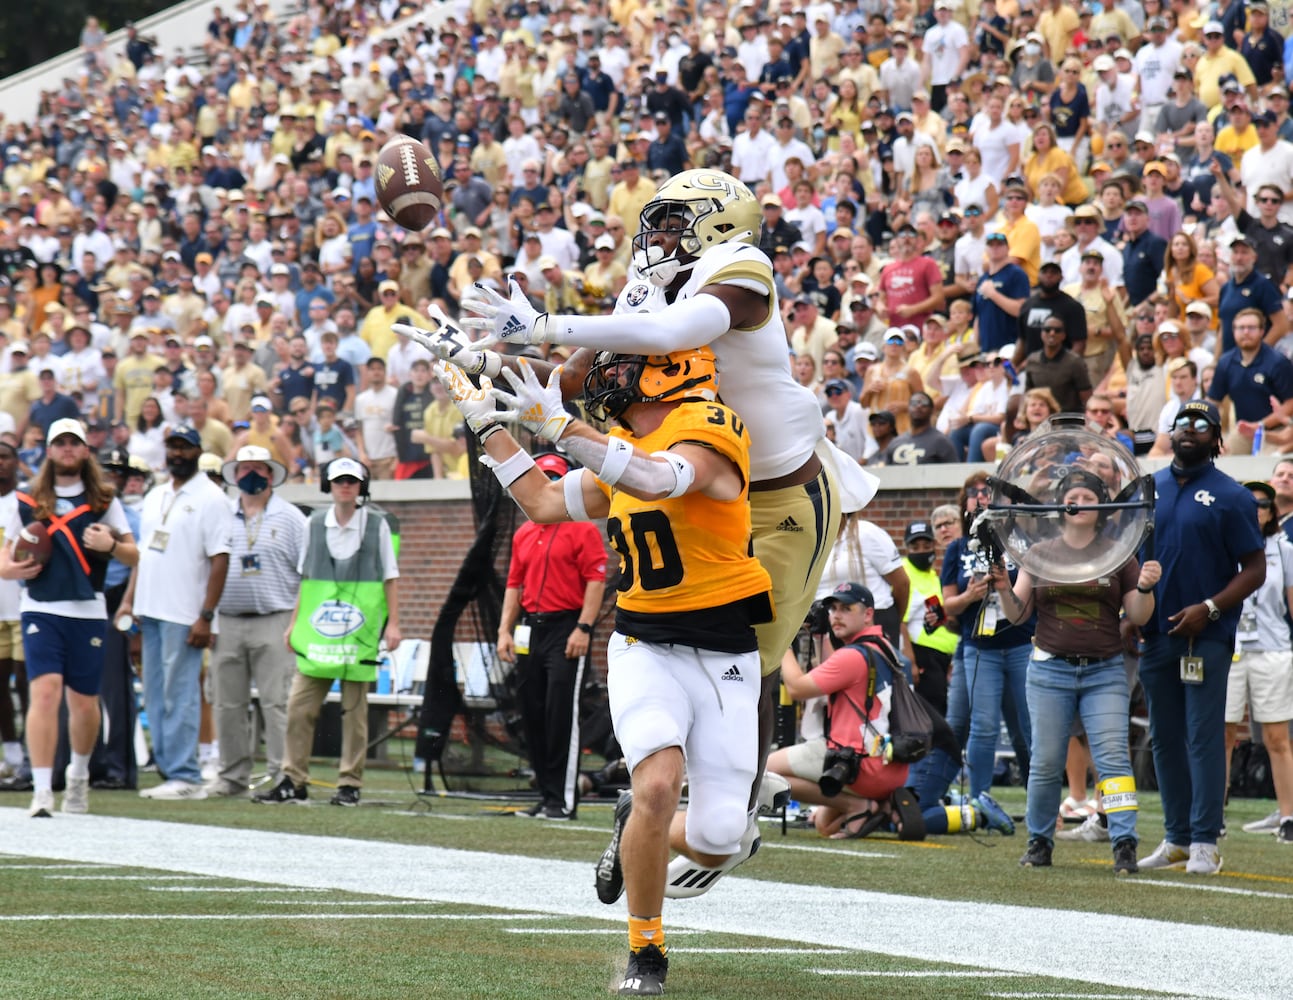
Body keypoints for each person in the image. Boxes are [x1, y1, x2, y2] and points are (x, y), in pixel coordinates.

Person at [412, 169, 874, 897]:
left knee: (748, 660)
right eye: (651, 223)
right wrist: (479, 369)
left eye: (671, 223)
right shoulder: (643, 289)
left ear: (718, 225)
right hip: (676, 467)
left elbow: (667, 334)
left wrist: (542, 326)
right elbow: (571, 383)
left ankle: (723, 814)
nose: (654, 237)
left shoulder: (740, 268)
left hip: (777, 493)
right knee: (694, 640)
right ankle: (665, 799)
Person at [436, 348, 771, 997]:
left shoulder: (707, 424)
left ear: (673, 370)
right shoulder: (619, 447)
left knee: (719, 835)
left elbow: (655, 479)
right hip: (644, 644)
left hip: (726, 652)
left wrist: (563, 427)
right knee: (657, 785)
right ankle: (646, 952)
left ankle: (631, 832)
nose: (609, 375)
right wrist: (487, 424)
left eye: (626, 365)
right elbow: (537, 499)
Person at [991, 468, 1162, 874]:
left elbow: (1138, 615)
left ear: (1102, 506)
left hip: (1105, 669)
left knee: (1114, 760)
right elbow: (1017, 615)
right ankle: (1039, 841)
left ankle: (1124, 842)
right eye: (1074, 497)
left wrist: (1145, 588)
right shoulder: (1039, 553)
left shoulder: (1118, 551)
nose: (1080, 503)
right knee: (1046, 761)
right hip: (1050, 669)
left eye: (1089, 497)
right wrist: (1001, 586)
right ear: (1060, 505)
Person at [1132, 400, 1265, 874]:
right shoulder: (1149, 488)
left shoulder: (1233, 496)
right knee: (1164, 739)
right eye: (1182, 423)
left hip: (1205, 634)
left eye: (1201, 423)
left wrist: (1209, 609)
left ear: (1216, 437)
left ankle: (1206, 840)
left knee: (1203, 736)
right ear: (1171, 431)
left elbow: (1254, 569)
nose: (1190, 430)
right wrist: (1135, 607)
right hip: (1156, 631)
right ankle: (1177, 838)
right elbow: (1131, 558)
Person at [0, 419, 136, 817]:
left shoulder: (104, 501)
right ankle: (42, 789)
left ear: (85, 450)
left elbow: (134, 554)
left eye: (73, 442)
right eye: (59, 442)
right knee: (45, 691)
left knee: (84, 702)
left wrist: (110, 544)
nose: (66, 449)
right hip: (41, 607)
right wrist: (14, 570)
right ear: (49, 450)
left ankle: (77, 776)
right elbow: (5, 560)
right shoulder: (25, 500)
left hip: (89, 609)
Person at [256, 458, 400, 807]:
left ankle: (349, 782)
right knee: (298, 707)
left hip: (360, 630)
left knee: (355, 712)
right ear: (329, 485)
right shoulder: (315, 524)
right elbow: (306, 579)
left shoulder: (378, 524)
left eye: (352, 481)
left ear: (361, 486)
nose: (345, 486)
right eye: (339, 481)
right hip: (318, 632)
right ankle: (293, 779)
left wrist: (393, 623)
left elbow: (390, 577)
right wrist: (294, 623)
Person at [119, 424, 230, 801]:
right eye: (172, 447)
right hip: (150, 608)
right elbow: (143, 556)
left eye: (184, 447)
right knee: (156, 693)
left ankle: (185, 773)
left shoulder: (212, 498)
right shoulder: (155, 495)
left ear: (198, 451)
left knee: (180, 693)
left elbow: (220, 559)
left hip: (185, 611)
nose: (177, 454)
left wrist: (206, 614)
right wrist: (131, 602)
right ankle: (170, 770)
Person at [497, 451, 608, 820]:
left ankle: (562, 800)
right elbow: (514, 584)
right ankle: (546, 796)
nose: (545, 485)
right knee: (531, 711)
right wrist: (504, 631)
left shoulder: (582, 527)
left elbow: (595, 579)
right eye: (540, 478)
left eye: (552, 479)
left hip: (565, 628)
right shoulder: (525, 532)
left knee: (561, 713)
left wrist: (584, 628)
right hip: (531, 626)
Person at [769, 582, 910, 839]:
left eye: (847, 608)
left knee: (764, 769)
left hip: (856, 763)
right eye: (833, 608)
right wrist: (821, 636)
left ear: (868, 614)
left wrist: (782, 645)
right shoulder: (884, 646)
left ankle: (857, 805)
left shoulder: (852, 657)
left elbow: (798, 688)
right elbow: (838, 669)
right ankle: (881, 807)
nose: (836, 615)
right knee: (824, 825)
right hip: (891, 763)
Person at [208, 446, 307, 798]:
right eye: (244, 468)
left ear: (270, 475)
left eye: (258, 468)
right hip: (228, 619)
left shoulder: (291, 517)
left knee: (277, 702)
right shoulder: (220, 514)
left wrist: (297, 622)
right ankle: (231, 776)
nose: (250, 474)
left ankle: (283, 775)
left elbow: (306, 573)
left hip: (275, 617)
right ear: (235, 476)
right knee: (227, 703)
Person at [1223, 480, 1293, 845]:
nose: (1256, 510)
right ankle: (1212, 814)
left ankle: (1288, 815)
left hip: (1272, 648)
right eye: (1249, 504)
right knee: (1223, 734)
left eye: (1263, 504)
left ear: (1272, 512)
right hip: (1229, 647)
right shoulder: (1222, 545)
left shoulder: (1283, 549)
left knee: (1277, 737)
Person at [900, 520, 958, 716]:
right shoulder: (905, 574)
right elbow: (901, 622)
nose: (922, 551)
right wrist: (911, 663)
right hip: (922, 656)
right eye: (915, 547)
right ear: (906, 548)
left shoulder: (933, 576)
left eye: (927, 546)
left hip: (942, 659)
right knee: (932, 716)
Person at [0, 441, 25, 783]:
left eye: (4, 456)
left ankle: (33, 756)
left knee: (26, 684)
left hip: (22, 607)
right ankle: (11, 753)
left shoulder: (26, 502)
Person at [878, 392, 960, 465]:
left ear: (932, 410)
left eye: (924, 403)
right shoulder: (895, 443)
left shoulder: (941, 442)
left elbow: (953, 474)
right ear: (908, 409)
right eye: (914, 403)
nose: (919, 406)